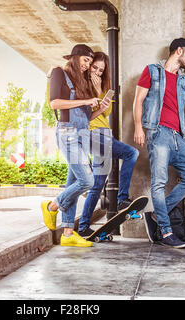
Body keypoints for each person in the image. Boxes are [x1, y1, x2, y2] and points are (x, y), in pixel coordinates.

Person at [133, 38, 185, 249]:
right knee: (159, 182)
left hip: (178, 136)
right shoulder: (152, 71)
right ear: (178, 50)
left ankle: (156, 214)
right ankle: (165, 231)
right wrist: (138, 127)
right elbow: (138, 100)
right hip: (158, 131)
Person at [40, 44, 110, 247]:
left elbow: (87, 118)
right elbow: (54, 103)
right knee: (87, 181)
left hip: (82, 133)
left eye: (90, 62)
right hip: (67, 132)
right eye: (86, 61)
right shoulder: (58, 73)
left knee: (74, 183)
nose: (88, 66)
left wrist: (99, 108)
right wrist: (85, 101)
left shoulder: (82, 84)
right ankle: (52, 206)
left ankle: (68, 233)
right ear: (75, 57)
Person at [77, 51, 140, 237]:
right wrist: (95, 92)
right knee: (131, 153)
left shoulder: (104, 88)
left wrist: (100, 92)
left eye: (101, 70)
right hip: (92, 133)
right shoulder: (81, 85)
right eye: (94, 67)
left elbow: (106, 113)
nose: (97, 72)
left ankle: (83, 227)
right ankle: (122, 199)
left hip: (105, 135)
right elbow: (84, 113)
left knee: (97, 184)